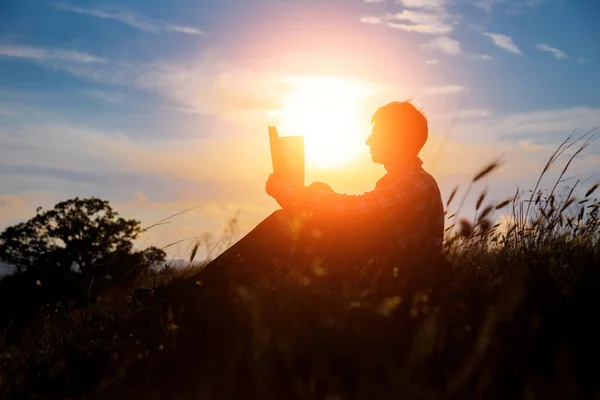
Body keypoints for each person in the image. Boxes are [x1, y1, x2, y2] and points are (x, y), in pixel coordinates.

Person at [195, 100, 450, 291]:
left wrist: (293, 194)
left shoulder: (417, 183)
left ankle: (199, 289)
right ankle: (220, 290)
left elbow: (358, 211)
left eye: (376, 133)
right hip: (376, 273)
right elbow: (355, 221)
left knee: (284, 223)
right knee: (317, 193)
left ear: (396, 138)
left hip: (395, 284)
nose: (368, 141)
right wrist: (297, 197)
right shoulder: (399, 182)